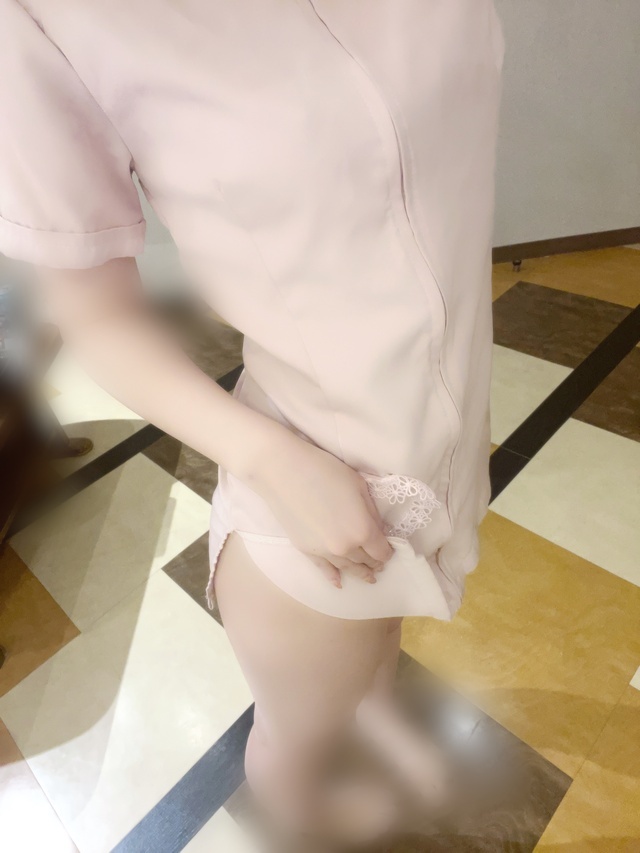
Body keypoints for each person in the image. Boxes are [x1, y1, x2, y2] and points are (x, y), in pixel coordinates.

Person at [0, 0, 504, 844]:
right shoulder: (42, 18)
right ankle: (305, 821)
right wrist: (269, 460)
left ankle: (376, 709)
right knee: (295, 736)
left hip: (450, 429)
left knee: (383, 631)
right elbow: (92, 312)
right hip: (316, 478)